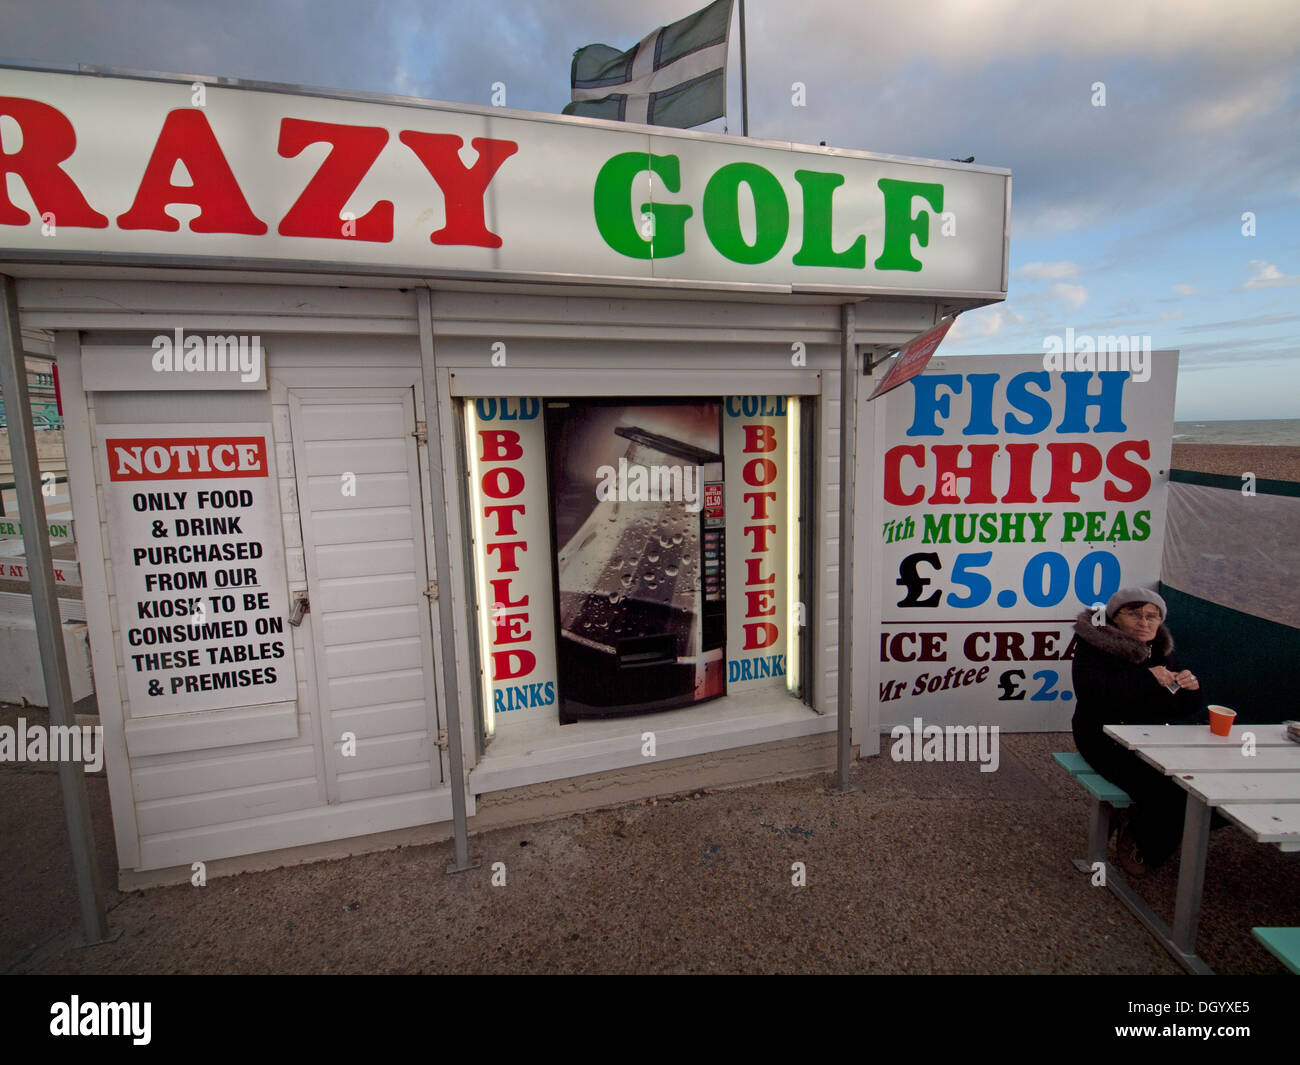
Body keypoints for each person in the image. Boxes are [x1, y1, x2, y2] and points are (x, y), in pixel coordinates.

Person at [1071, 587, 1204, 877]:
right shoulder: (1094, 646)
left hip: (1152, 737)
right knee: (1168, 789)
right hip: (1103, 738)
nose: (1144, 622)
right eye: (1134, 614)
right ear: (1115, 617)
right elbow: (1096, 698)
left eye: (1152, 616)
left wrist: (1189, 689)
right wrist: (1146, 679)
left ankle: (1143, 826)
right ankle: (1144, 845)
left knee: (1206, 788)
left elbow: (1178, 708)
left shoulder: (1161, 650)